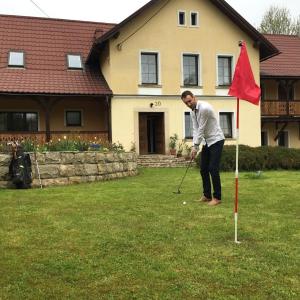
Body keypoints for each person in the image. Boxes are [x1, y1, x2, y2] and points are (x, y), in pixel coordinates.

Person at [181, 90, 225, 206]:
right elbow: (195, 129)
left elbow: (201, 129)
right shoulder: (192, 112)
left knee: (213, 168)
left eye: (189, 101)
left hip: (216, 139)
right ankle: (207, 195)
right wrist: (194, 146)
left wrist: (196, 147)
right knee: (203, 168)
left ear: (194, 98)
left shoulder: (205, 108)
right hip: (207, 142)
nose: (188, 104)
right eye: (186, 103)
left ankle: (217, 197)